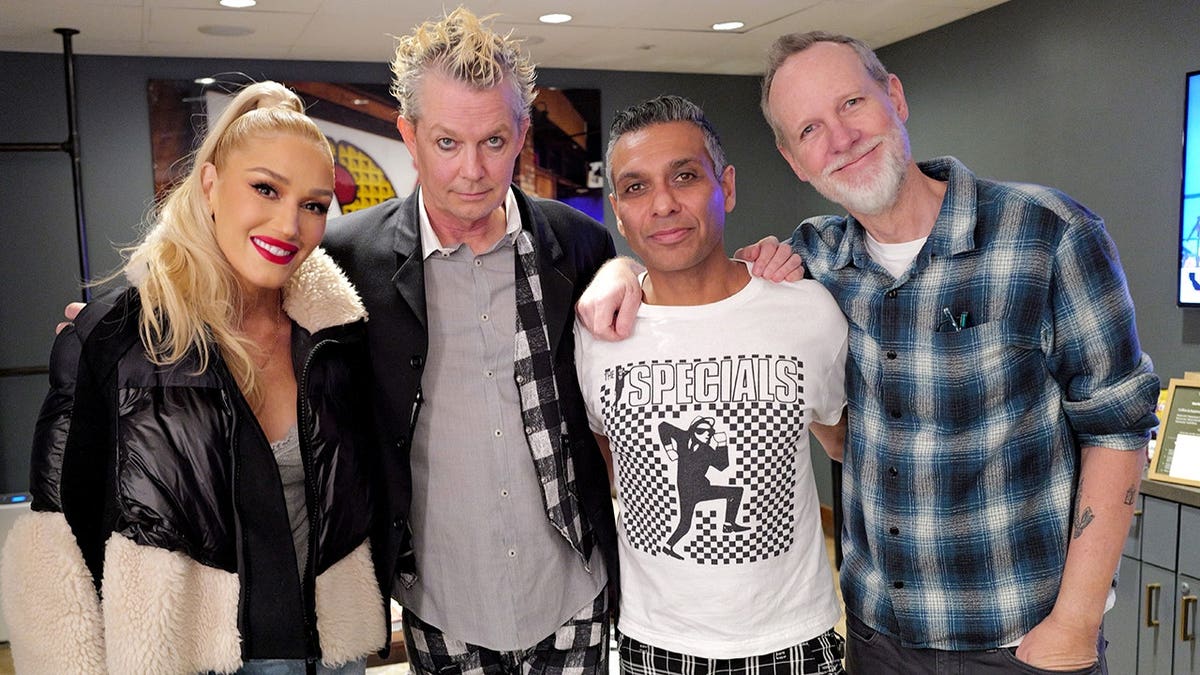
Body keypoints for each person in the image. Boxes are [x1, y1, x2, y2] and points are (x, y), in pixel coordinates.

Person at [577, 33, 1161, 674]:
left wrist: (1075, 625)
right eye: (809, 129)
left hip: (1020, 640)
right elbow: (823, 413)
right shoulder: (815, 266)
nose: (840, 138)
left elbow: (1119, 428)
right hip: (877, 639)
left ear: (895, 97)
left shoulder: (1047, 234)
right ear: (794, 160)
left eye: (851, 102)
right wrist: (619, 269)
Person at [0, 81, 385, 674]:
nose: (289, 225)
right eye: (265, 188)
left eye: (313, 205)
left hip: (329, 655)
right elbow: (55, 546)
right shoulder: (116, 338)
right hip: (188, 660)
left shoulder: (336, 338)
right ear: (209, 184)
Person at [320, 9, 620, 674]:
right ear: (410, 134)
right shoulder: (348, 257)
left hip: (571, 589)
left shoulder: (581, 244)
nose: (473, 170)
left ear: (521, 133)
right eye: (448, 143)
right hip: (440, 600)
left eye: (493, 141)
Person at [575, 94, 848, 675]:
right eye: (636, 187)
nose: (664, 205)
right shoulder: (596, 332)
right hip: (654, 642)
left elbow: (844, 440)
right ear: (618, 212)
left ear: (725, 185)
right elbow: (604, 464)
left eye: (685, 176)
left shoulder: (806, 310)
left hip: (793, 639)